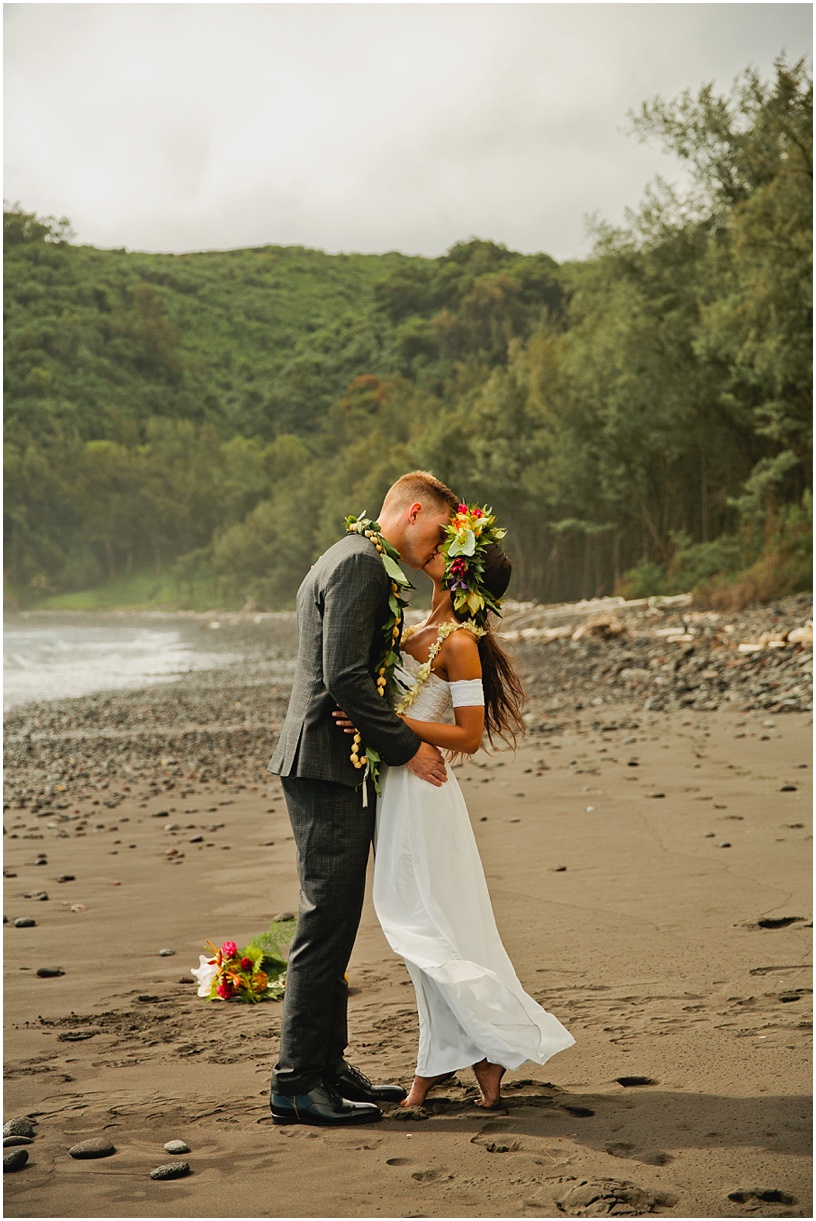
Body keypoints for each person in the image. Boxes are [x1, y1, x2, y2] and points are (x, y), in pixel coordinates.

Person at [346, 504, 575, 1109]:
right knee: (426, 925)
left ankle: (447, 1064)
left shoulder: (463, 645)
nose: (434, 551)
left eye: (447, 550)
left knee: (419, 923)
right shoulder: (414, 628)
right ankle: (476, 1062)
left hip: (426, 797)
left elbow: (469, 735)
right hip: (396, 791)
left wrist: (396, 726)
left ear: (460, 574)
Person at [267, 470, 460, 1127]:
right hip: (325, 762)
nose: (440, 547)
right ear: (411, 512)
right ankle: (295, 1079)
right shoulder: (363, 567)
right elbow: (344, 673)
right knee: (325, 919)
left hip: (330, 761)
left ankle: (327, 1064)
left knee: (338, 918)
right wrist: (410, 746)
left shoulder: (352, 555)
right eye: (438, 530)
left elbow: (355, 671)